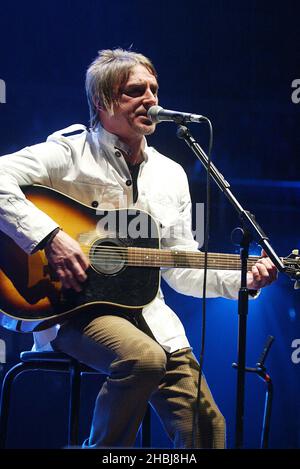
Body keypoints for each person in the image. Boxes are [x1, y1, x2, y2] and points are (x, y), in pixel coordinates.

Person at [0, 49, 277, 448]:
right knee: (143, 359)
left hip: (150, 316)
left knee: (207, 428)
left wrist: (243, 278)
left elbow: (181, 265)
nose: (151, 99)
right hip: (73, 310)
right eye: (135, 91)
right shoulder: (68, 153)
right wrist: (49, 238)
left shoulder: (171, 173)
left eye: (154, 89)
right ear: (103, 101)